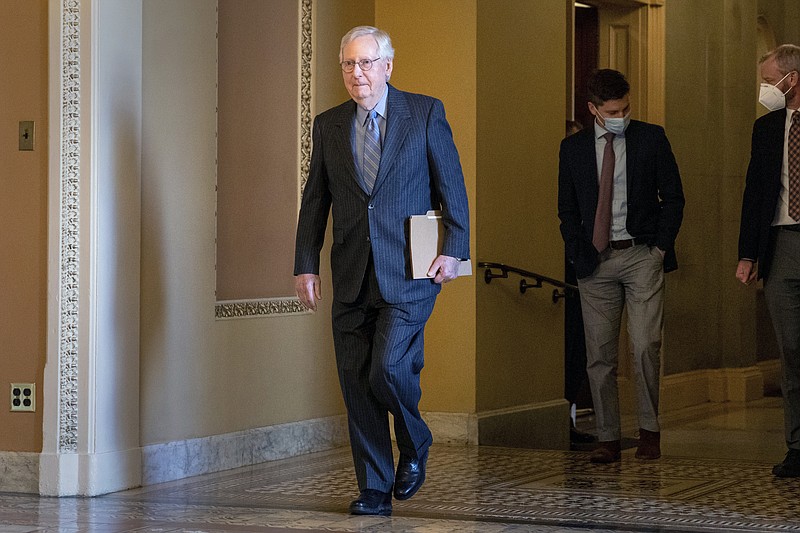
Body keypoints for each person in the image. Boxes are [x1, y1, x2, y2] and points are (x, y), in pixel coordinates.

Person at [294, 26, 470, 515]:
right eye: (349, 65)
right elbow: (315, 202)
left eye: (367, 63)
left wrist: (455, 249)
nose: (358, 73)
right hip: (351, 273)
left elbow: (451, 185)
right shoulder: (329, 124)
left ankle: (415, 441)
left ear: (388, 67)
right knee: (356, 381)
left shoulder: (425, 112)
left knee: (387, 369)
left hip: (411, 272)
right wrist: (305, 263)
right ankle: (374, 488)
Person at [557, 69, 685, 464]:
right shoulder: (573, 148)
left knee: (646, 345)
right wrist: (579, 254)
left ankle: (649, 430)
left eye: (626, 108)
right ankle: (608, 437)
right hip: (595, 261)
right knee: (599, 354)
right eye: (613, 110)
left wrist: (660, 248)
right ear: (593, 109)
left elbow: (674, 197)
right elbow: (566, 209)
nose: (621, 116)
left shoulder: (651, 137)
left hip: (641, 255)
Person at [736, 44, 800, 478]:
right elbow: (754, 192)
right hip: (781, 246)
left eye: (767, 78)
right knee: (791, 351)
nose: (764, 88)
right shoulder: (766, 128)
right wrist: (747, 253)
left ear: (790, 79)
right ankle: (797, 446)